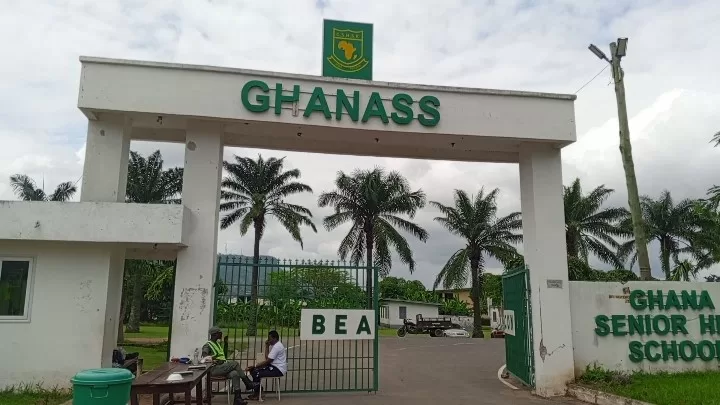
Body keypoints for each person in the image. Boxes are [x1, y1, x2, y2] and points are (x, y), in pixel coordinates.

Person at [203, 326, 252, 405]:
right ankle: (248, 383)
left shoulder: (217, 344)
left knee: (235, 374)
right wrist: (211, 360)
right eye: (220, 333)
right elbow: (204, 355)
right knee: (235, 363)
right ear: (215, 334)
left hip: (222, 367)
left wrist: (226, 344)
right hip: (214, 369)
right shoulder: (208, 345)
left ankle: (237, 399)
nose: (221, 334)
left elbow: (223, 356)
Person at [244, 330, 286, 400]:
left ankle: (258, 393)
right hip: (274, 367)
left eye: (270, 339)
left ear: (275, 338)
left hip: (278, 369)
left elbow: (268, 361)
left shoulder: (277, 347)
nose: (268, 340)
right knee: (254, 370)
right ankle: (258, 391)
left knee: (256, 372)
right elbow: (267, 358)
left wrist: (255, 366)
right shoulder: (276, 345)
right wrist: (267, 346)